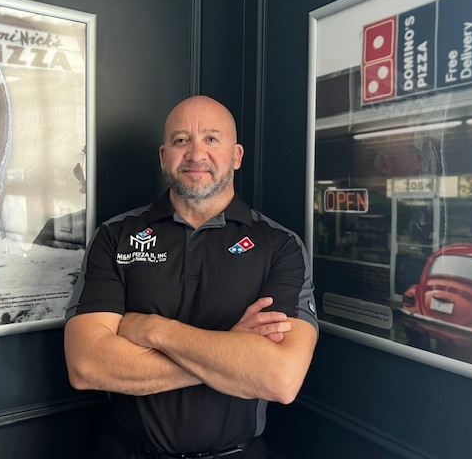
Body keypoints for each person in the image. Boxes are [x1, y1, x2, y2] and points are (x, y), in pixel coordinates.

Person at [64, 95, 318, 459]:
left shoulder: (281, 246)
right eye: (181, 140)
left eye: (212, 139)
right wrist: (232, 352)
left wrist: (153, 330)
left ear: (236, 155)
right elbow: (86, 366)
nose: (196, 154)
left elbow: (280, 378)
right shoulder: (114, 236)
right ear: (163, 156)